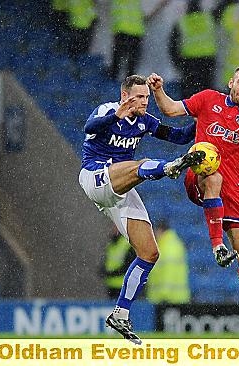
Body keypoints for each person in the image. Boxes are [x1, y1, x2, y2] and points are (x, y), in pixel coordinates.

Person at [148, 65, 239, 345]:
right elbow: (170, 109)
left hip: (234, 190)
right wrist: (158, 90)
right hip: (199, 177)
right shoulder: (207, 99)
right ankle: (217, 245)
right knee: (210, 168)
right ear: (231, 81)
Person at [78, 74, 205, 344]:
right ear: (125, 96)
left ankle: (121, 314)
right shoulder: (108, 110)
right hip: (95, 177)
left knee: (149, 253)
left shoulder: (145, 121)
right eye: (139, 97)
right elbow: (89, 127)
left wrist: (200, 123)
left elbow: (177, 135)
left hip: (123, 187)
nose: (145, 101)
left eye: (147, 97)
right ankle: (168, 168)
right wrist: (116, 116)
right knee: (142, 164)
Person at [169, 0, 217, 98]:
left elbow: (172, 46)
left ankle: (188, 111)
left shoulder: (182, 22)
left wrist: (178, 63)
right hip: (207, 60)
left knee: (189, 93)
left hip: (189, 62)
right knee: (206, 92)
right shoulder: (208, 18)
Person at [146, 220, 190, 304]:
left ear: (160, 231)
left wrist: (164, 295)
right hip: (174, 298)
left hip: (169, 299)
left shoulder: (167, 247)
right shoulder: (171, 244)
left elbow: (168, 273)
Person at [101, 225, 134, 299]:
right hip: (111, 285)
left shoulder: (127, 244)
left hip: (123, 286)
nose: (112, 229)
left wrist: (111, 273)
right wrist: (103, 271)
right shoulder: (112, 244)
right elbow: (107, 261)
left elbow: (128, 266)